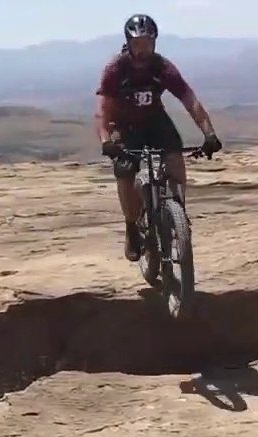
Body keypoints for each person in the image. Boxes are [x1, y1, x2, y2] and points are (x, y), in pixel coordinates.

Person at [95, 13, 223, 261]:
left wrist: (209, 133)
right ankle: (132, 227)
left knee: (175, 154)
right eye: (137, 45)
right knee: (125, 170)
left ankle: (177, 215)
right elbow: (102, 111)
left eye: (147, 44)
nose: (142, 51)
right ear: (128, 45)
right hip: (124, 124)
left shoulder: (162, 68)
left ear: (154, 43)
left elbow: (190, 100)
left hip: (154, 119)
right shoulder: (115, 69)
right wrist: (106, 141)